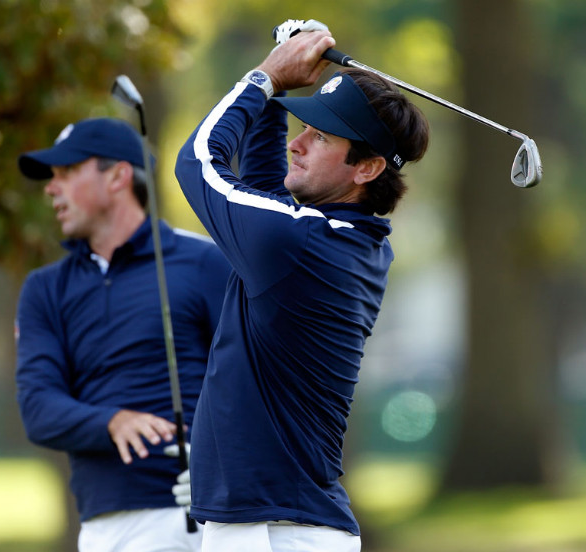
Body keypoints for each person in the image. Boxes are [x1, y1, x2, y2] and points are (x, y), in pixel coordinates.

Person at [173, 21, 430, 552]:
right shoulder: (351, 239)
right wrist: (279, 89)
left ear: (369, 168)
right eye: (302, 127)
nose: (299, 144)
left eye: (322, 137)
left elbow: (197, 162)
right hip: (288, 522)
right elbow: (268, 190)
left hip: (268, 529)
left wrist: (264, 77)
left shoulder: (297, 242)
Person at [14, 116, 231, 552]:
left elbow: (252, 384)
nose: (51, 188)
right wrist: (111, 421)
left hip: (191, 519)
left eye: (67, 173)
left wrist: (228, 473)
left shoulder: (205, 262)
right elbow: (38, 407)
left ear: (118, 176)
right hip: (99, 526)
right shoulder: (44, 289)